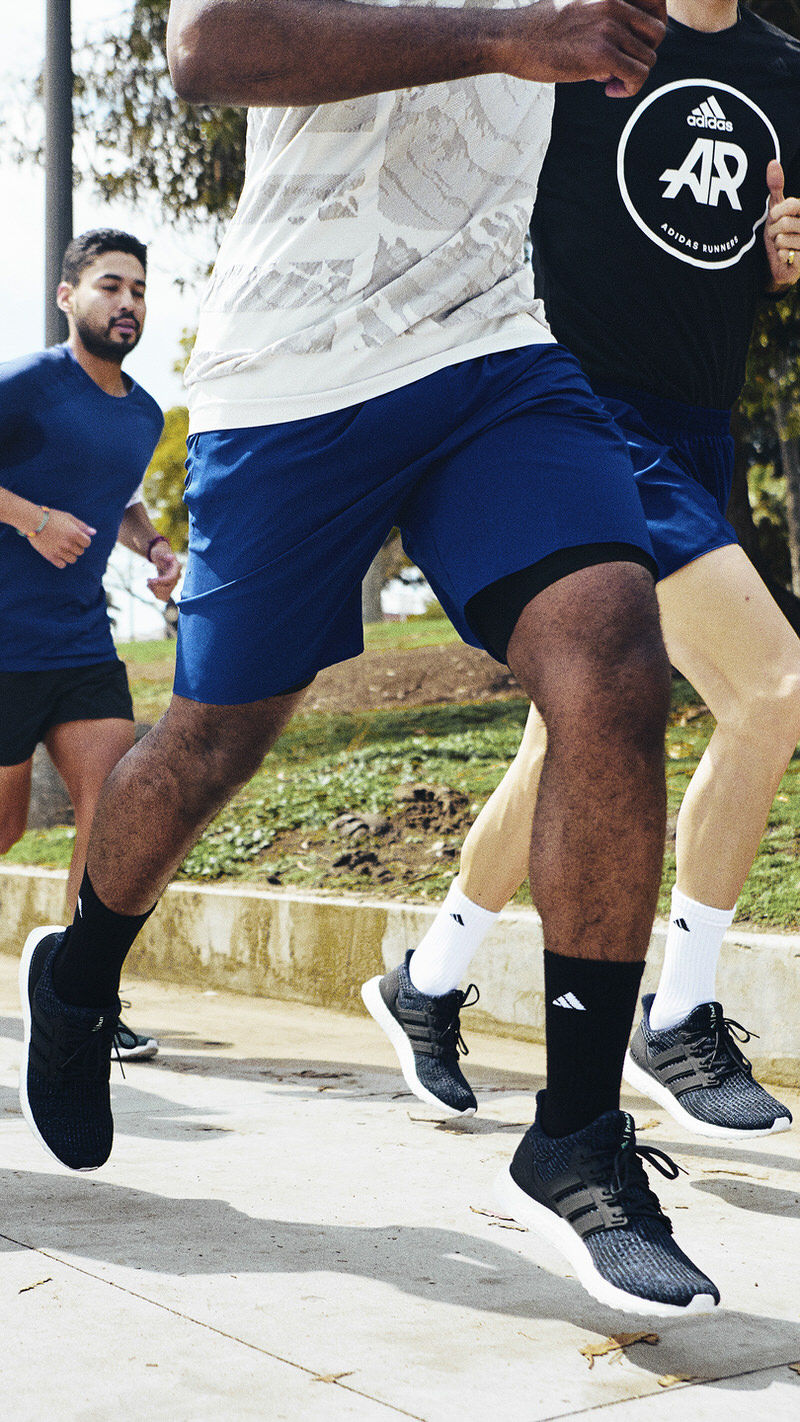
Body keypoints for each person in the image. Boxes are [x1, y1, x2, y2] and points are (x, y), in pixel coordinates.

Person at [19, 0, 720, 1316]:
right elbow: (208, 50)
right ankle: (82, 967)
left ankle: (575, 1130)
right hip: (296, 370)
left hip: (494, 350)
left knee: (614, 662)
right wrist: (510, 36)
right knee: (215, 742)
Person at [363, 0, 800, 1149]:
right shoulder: (581, 28)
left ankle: (428, 975)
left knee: (570, 743)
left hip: (698, 426)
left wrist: (774, 259)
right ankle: (680, 1008)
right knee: (771, 686)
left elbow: (739, 238)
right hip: (579, 411)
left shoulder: (780, 68)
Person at [1, 228, 181, 1060]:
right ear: (68, 298)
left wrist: (149, 545)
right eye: (111, 286)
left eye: (139, 290)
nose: (128, 303)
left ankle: (80, 995)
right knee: (3, 829)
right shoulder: (28, 385)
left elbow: (117, 499)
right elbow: (45, 505)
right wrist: (31, 520)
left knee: (109, 813)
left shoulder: (142, 413)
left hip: (80, 645)